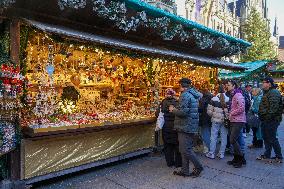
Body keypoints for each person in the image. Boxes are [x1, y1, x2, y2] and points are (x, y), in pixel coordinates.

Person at [169, 78, 203, 177]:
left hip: (185, 125)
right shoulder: (193, 94)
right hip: (190, 125)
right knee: (184, 149)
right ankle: (185, 170)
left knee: (185, 150)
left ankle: (198, 167)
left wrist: (173, 109)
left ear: (182, 86)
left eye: (179, 85)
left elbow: (183, 112)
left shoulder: (185, 95)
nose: (178, 87)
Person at [257, 77, 283, 163]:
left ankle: (279, 156)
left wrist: (266, 118)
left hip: (271, 120)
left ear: (269, 84)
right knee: (266, 137)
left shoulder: (274, 92)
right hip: (266, 119)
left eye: (264, 82)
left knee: (272, 138)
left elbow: (273, 109)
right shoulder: (268, 92)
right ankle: (267, 155)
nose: (262, 84)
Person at [155, 88, 182, 167]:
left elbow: (157, 114)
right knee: (177, 145)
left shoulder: (163, 102)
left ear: (166, 94)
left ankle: (169, 162)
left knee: (167, 146)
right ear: (173, 94)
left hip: (166, 126)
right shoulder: (177, 102)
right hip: (175, 126)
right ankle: (178, 163)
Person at [226, 80, 247, 168]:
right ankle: (236, 158)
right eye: (227, 85)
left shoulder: (238, 95)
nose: (227, 86)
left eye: (229, 85)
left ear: (234, 86)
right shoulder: (233, 94)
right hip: (234, 120)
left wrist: (231, 113)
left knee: (232, 140)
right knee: (235, 140)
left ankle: (241, 159)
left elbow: (241, 108)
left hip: (238, 120)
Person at [206, 86, 229, 159]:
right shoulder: (228, 99)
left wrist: (214, 115)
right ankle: (221, 153)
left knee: (213, 136)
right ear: (224, 90)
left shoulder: (213, 99)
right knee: (224, 137)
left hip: (215, 121)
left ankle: (211, 153)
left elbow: (209, 112)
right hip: (224, 120)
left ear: (217, 91)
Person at [198, 89, 213, 154]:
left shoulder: (202, 100)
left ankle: (209, 148)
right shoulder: (212, 99)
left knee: (205, 134)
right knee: (209, 133)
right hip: (210, 119)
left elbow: (200, 109)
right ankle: (209, 148)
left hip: (204, 119)